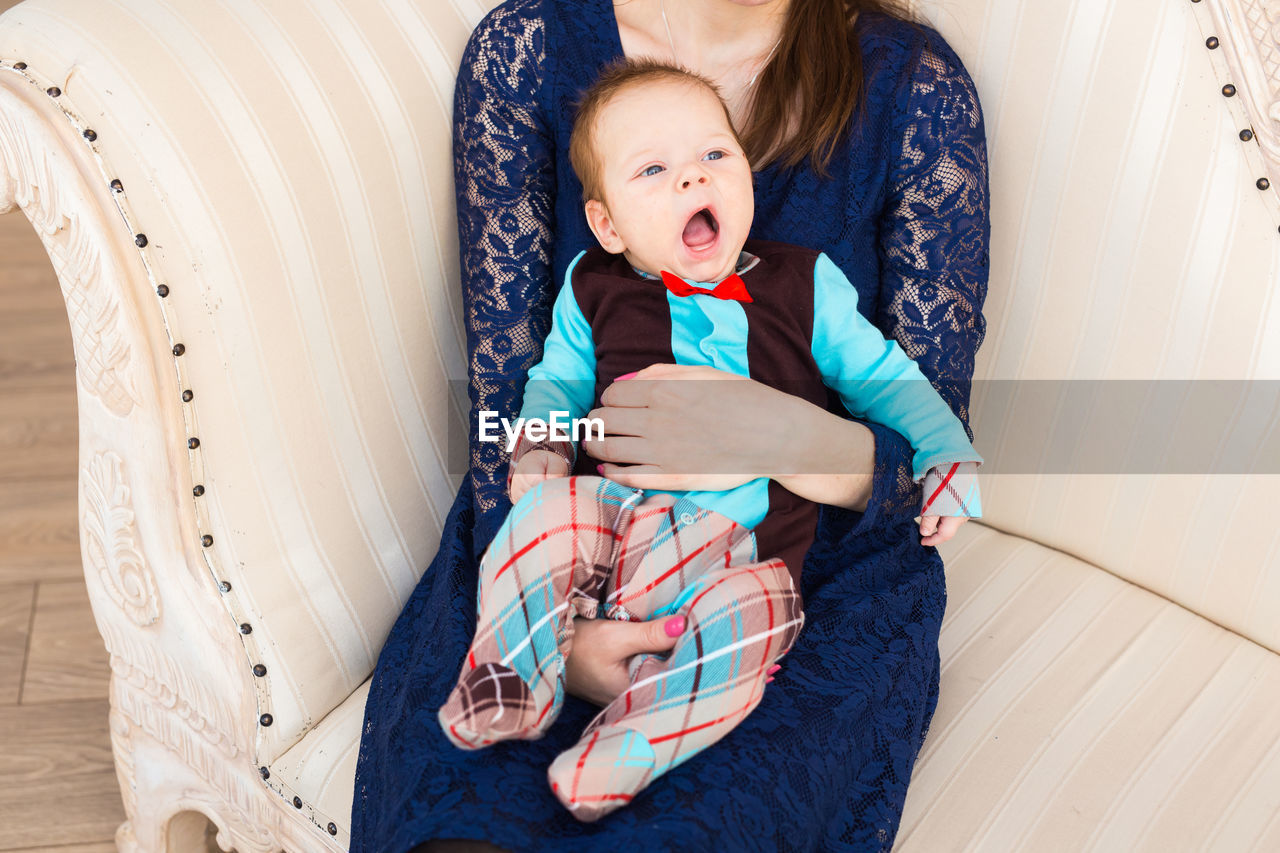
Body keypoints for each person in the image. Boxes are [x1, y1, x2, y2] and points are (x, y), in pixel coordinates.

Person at [351, 0, 990, 849]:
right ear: (607, 222)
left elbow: (928, 428)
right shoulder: (526, 54)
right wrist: (561, 634)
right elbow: (510, 415)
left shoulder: (916, 91)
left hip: (812, 563)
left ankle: (633, 743)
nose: (693, 180)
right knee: (465, 825)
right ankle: (512, 673)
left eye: (716, 157)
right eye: (654, 172)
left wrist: (781, 433)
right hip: (586, 535)